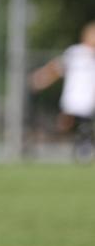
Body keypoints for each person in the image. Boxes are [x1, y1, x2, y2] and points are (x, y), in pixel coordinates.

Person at [30, 21, 95, 162]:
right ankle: (49, 147)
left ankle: (84, 148)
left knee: (85, 125)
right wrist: (42, 78)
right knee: (64, 124)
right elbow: (57, 67)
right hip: (73, 96)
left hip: (89, 98)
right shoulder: (76, 52)